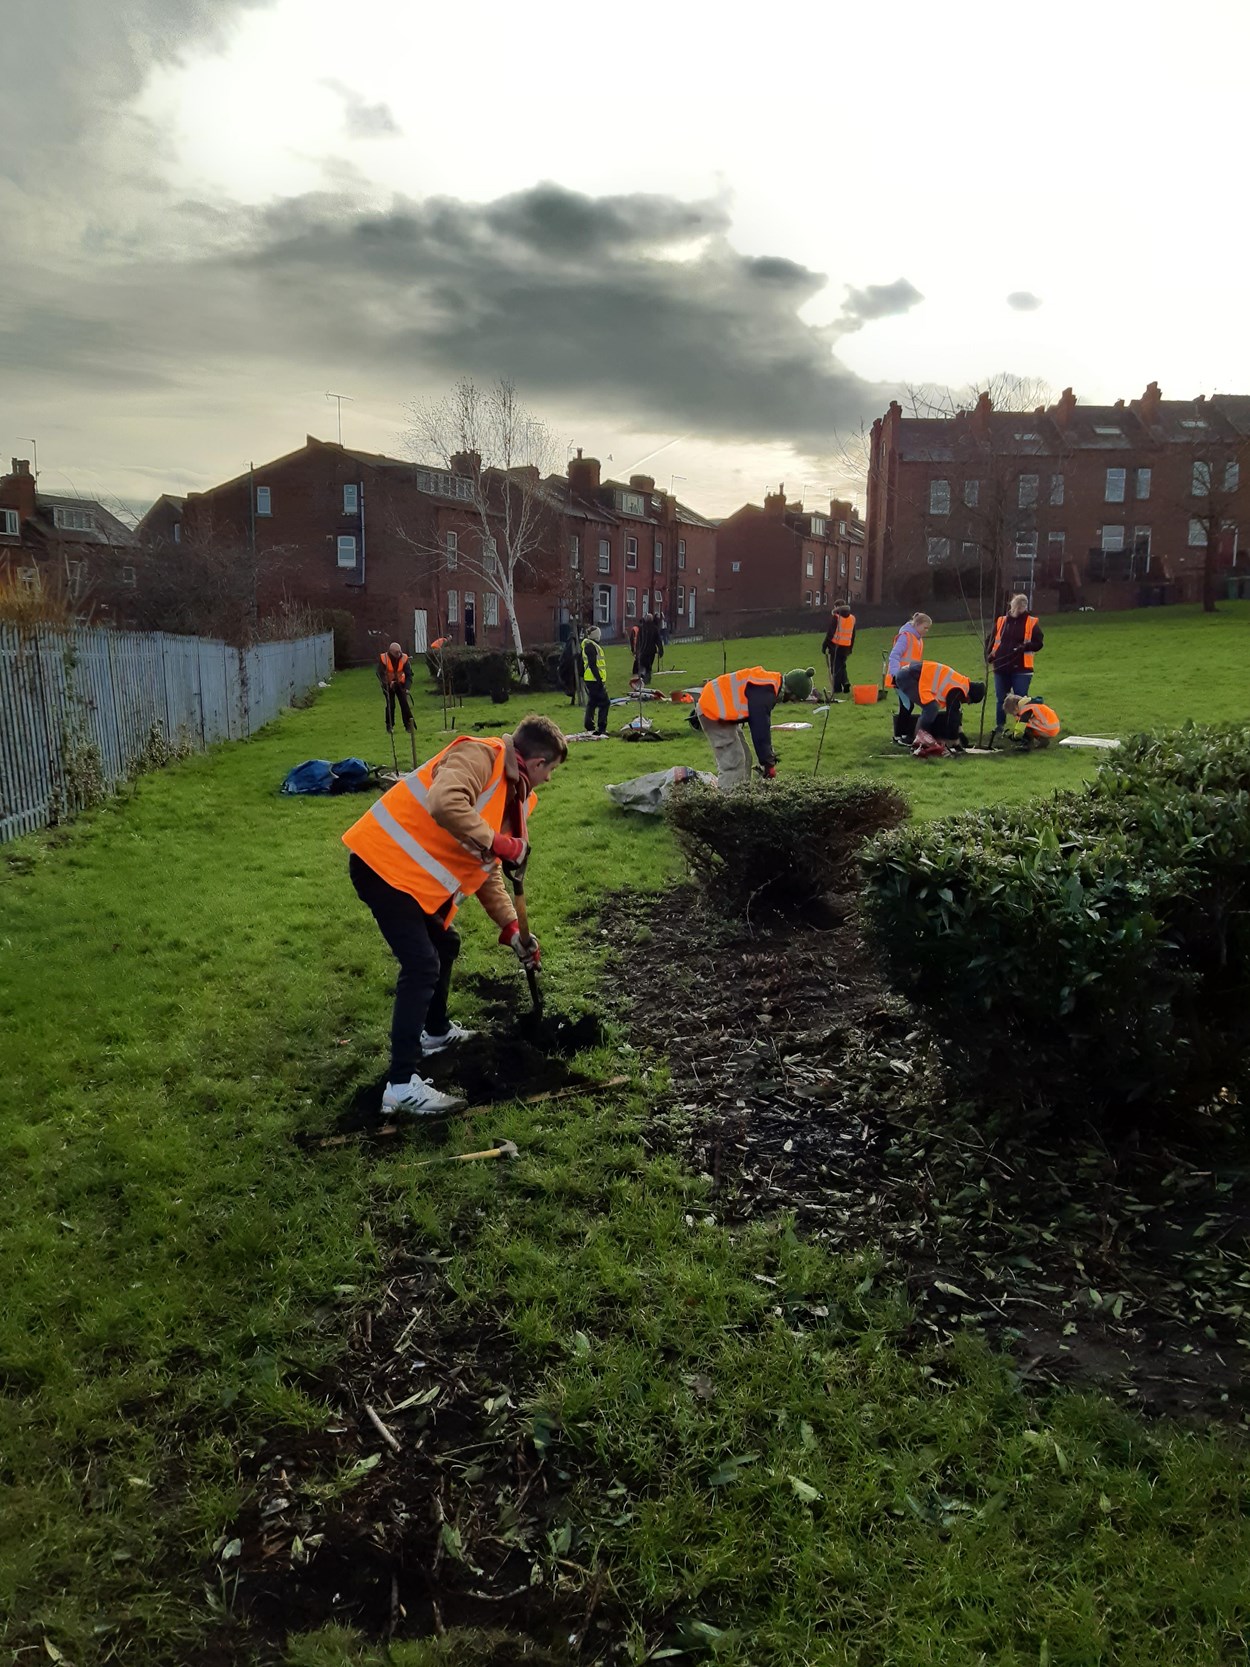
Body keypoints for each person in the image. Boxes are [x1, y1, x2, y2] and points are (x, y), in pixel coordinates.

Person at [342, 715, 568, 1117]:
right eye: (550, 769)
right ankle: (400, 1086)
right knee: (421, 963)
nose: (549, 779)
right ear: (536, 763)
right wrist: (499, 841)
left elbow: (487, 866)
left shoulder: (515, 797)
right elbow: (444, 802)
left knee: (445, 943)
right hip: (382, 864)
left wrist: (512, 929)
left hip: (407, 879)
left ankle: (436, 1032)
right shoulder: (480, 757)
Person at [697, 666, 781, 788]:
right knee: (733, 762)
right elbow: (760, 729)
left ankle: (742, 796)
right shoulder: (765, 690)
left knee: (746, 757)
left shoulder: (769, 682)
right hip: (712, 708)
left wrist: (767, 759)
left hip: (721, 709)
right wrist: (768, 763)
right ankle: (728, 802)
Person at [893, 659, 986, 759]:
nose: (967, 703)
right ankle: (919, 744)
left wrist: (960, 732)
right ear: (969, 695)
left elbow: (955, 710)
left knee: (931, 707)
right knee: (931, 708)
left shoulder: (959, 684)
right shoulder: (957, 689)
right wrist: (954, 739)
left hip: (908, 674)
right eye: (969, 701)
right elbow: (952, 713)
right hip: (907, 677)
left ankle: (922, 741)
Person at [986, 593, 1044, 737]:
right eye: (1016, 607)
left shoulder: (1031, 622)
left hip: (1022, 669)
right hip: (1001, 666)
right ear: (1011, 606)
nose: (1018, 611)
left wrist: (1025, 647)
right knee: (1001, 698)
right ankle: (1000, 727)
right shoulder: (1001, 621)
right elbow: (991, 640)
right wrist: (988, 655)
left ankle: (1022, 729)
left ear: (1025, 607)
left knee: (1021, 699)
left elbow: (1039, 643)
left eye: (1021, 608)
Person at [886, 611, 932, 747]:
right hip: (900, 677)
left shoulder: (918, 640)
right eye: (925, 627)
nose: (926, 631)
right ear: (917, 625)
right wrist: (895, 675)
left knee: (906, 705)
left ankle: (900, 735)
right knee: (907, 705)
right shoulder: (906, 637)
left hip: (908, 678)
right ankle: (902, 735)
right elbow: (894, 656)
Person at [377, 641, 415, 737]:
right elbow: (380, 674)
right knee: (391, 705)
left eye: (399, 652)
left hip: (401, 684)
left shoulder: (404, 658)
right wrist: (388, 683)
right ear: (390, 652)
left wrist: (407, 687)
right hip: (388, 685)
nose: (398, 654)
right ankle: (389, 726)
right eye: (396, 653)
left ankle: (408, 725)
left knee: (404, 704)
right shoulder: (384, 658)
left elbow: (409, 674)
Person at [821, 603, 856, 695]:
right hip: (846, 646)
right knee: (842, 666)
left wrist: (825, 646)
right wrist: (850, 648)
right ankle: (845, 682)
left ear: (837, 607)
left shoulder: (836, 617)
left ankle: (837, 688)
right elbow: (853, 635)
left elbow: (830, 633)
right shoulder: (852, 618)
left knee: (835, 667)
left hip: (836, 646)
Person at [581, 624, 610, 735]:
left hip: (589, 679)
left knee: (592, 702)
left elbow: (582, 664)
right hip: (594, 679)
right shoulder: (591, 647)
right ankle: (601, 728)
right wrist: (599, 680)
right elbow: (593, 665)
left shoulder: (587, 645)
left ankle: (589, 725)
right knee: (605, 703)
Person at [638, 612, 661, 685]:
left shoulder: (642, 628)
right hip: (651, 651)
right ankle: (646, 679)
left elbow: (639, 640)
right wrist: (661, 650)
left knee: (643, 665)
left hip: (643, 650)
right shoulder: (654, 628)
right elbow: (658, 641)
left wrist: (637, 650)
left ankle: (642, 676)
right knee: (649, 666)